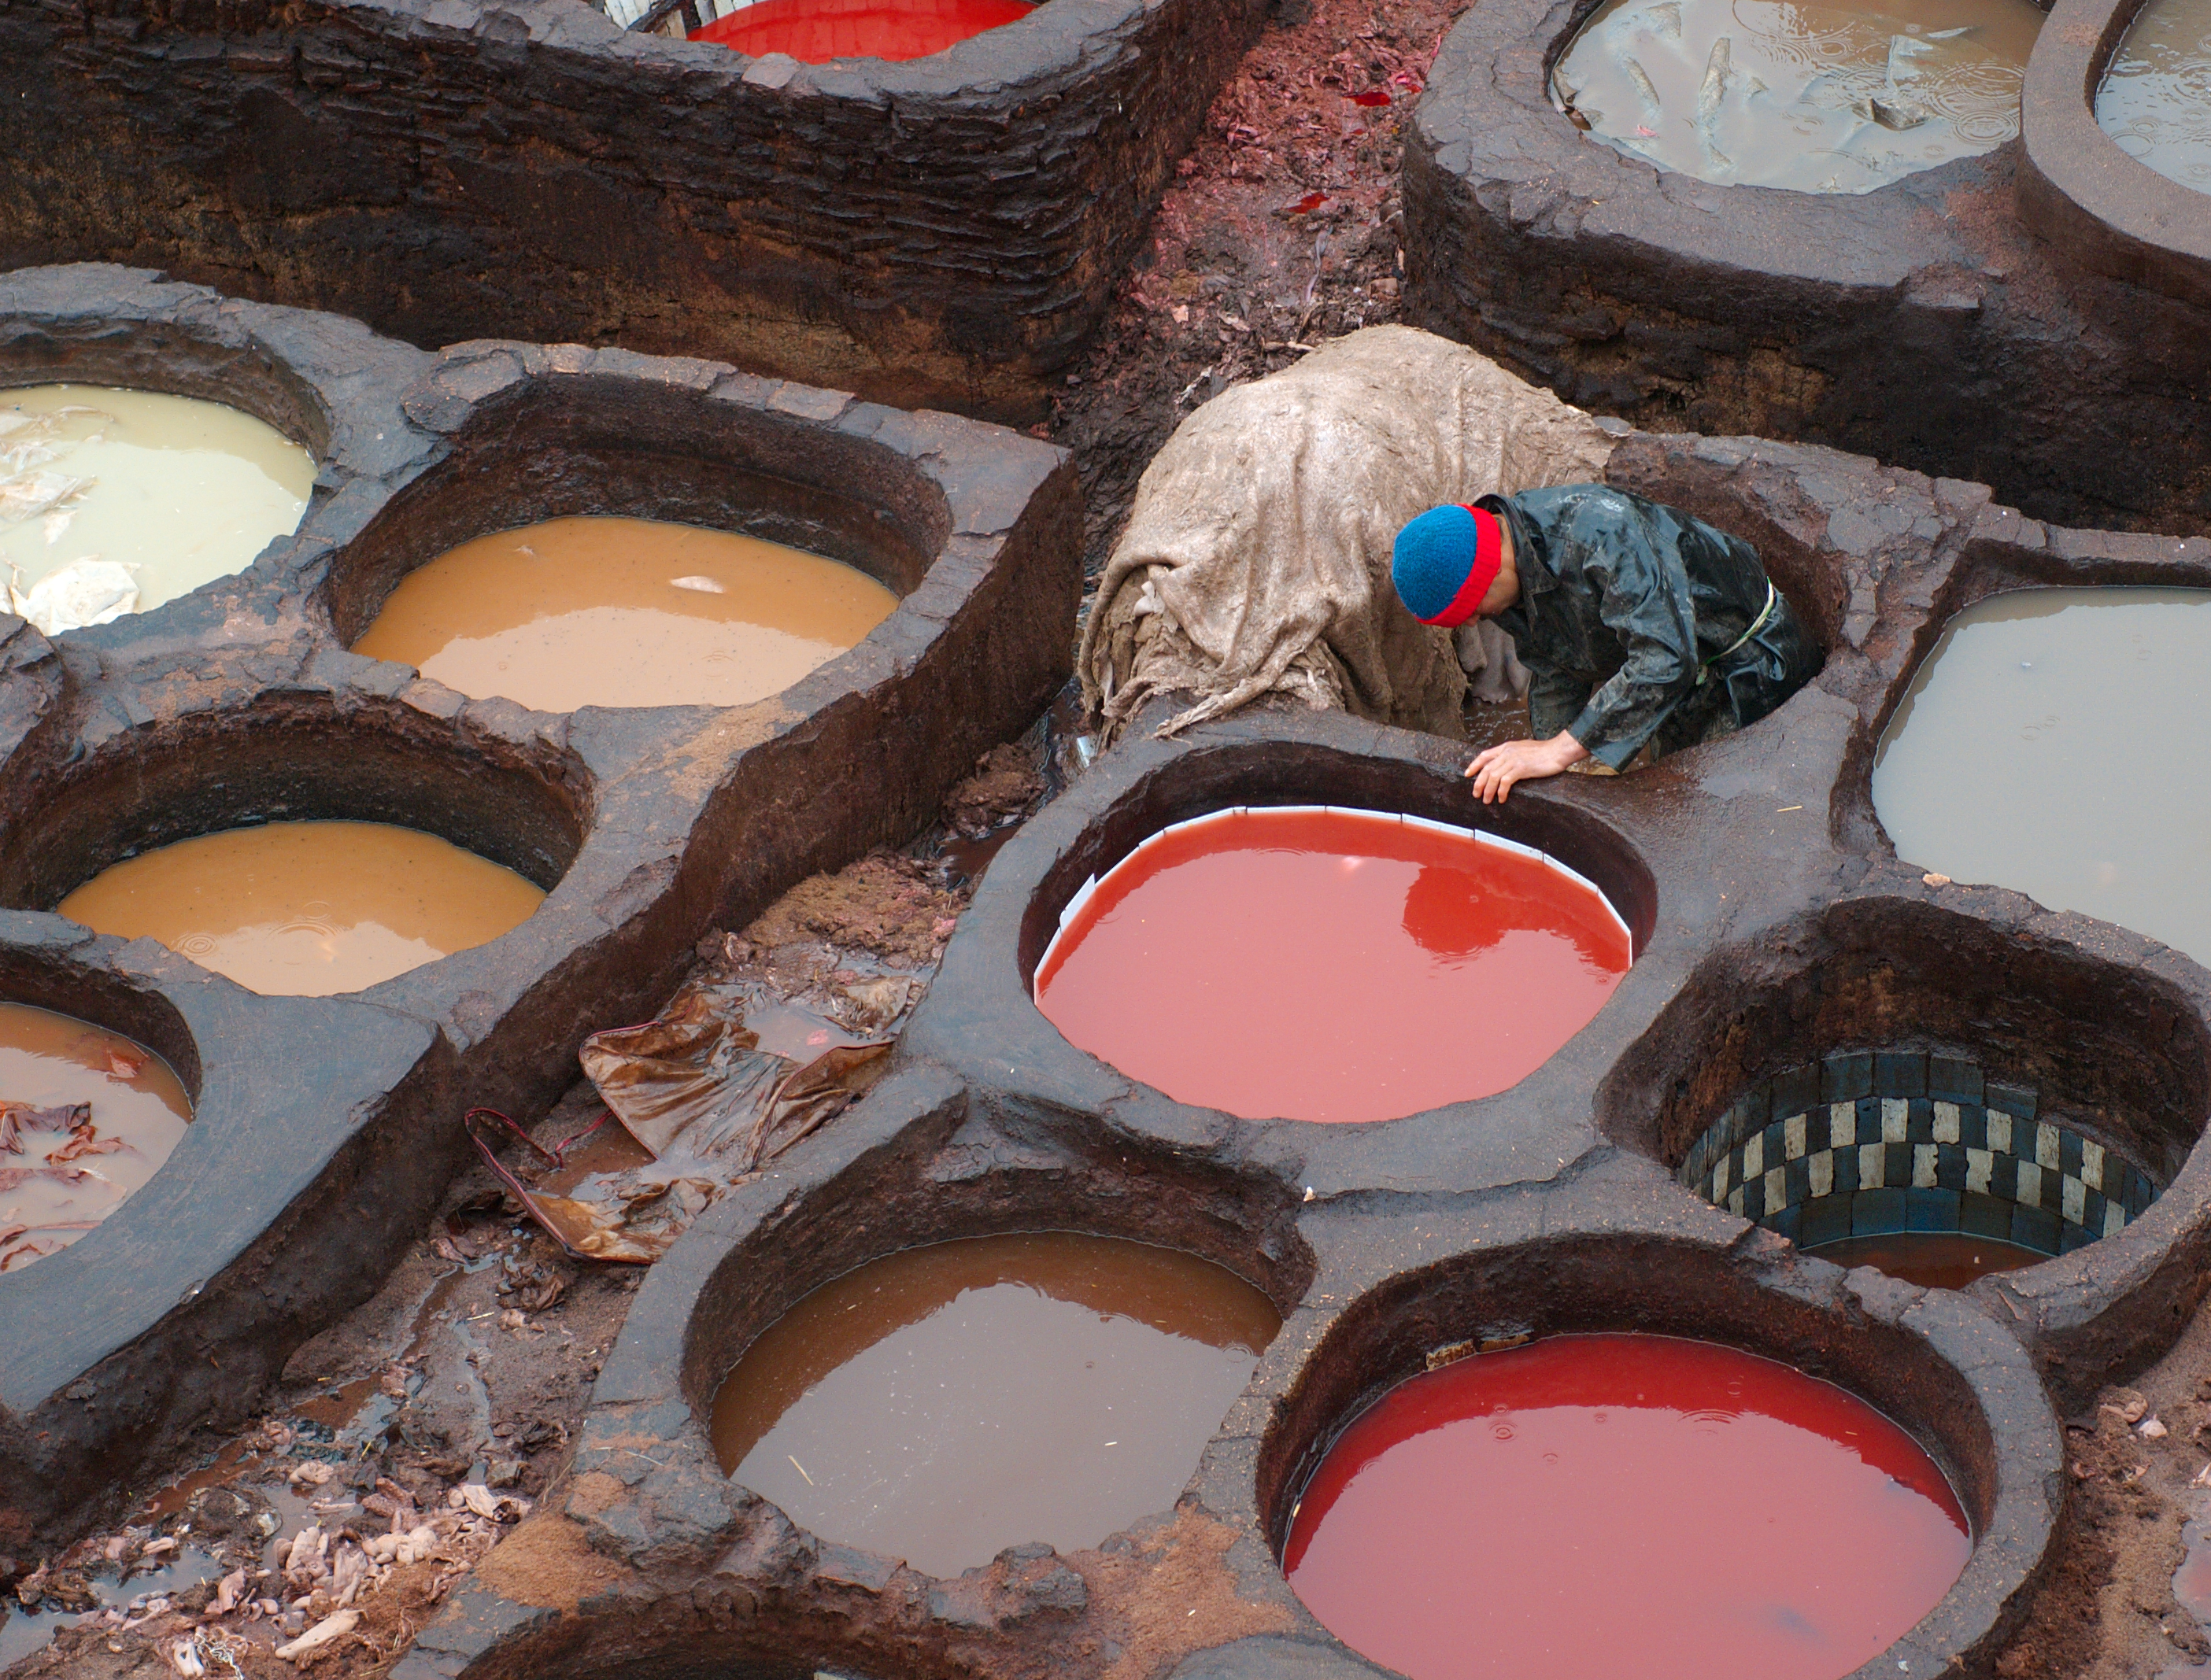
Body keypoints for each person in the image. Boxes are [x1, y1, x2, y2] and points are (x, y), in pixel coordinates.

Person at [1390, 486, 1823, 803]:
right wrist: (1556, 766)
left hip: (1750, 665)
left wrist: (1561, 750)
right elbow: (1555, 667)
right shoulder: (1512, 562)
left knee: (1712, 807)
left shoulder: (1602, 533)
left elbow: (1665, 659)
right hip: (1682, 680)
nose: (1475, 621)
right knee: (1666, 786)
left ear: (1491, 569)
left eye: (1473, 609)